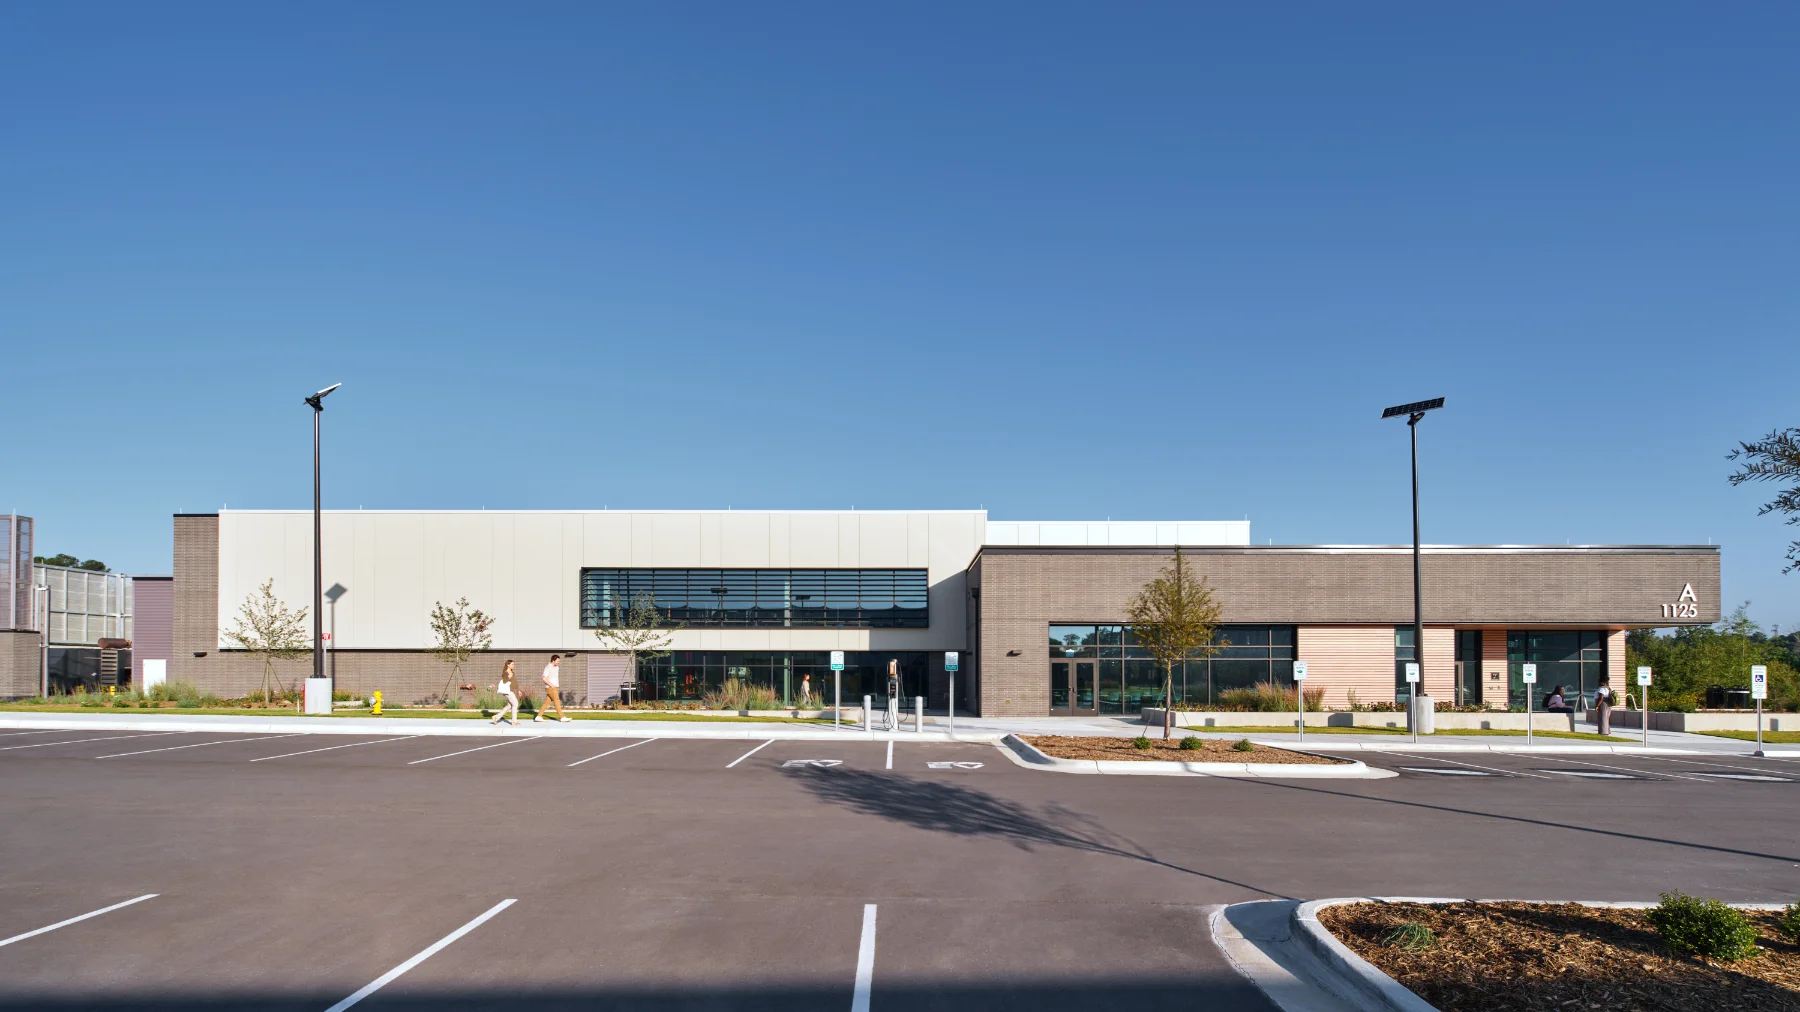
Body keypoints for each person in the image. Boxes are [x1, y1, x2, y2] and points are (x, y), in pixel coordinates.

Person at [535, 654, 571, 723]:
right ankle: (562, 717)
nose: (558, 663)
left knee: (546, 702)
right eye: (557, 661)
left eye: (559, 661)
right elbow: (544, 678)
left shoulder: (557, 667)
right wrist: (551, 685)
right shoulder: (548, 667)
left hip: (555, 687)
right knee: (557, 701)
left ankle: (538, 716)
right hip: (550, 688)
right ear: (553, 660)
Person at [490, 660, 520, 726]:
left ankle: (496, 717)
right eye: (512, 664)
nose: (513, 665)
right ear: (508, 665)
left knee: (509, 706)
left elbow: (515, 682)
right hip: (507, 691)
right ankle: (514, 721)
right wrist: (508, 678)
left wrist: (518, 690)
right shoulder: (505, 673)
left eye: (514, 664)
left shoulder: (513, 672)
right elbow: (504, 682)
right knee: (515, 704)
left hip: (511, 691)